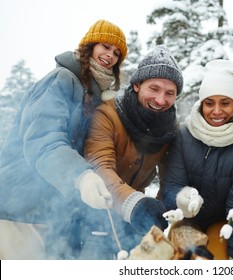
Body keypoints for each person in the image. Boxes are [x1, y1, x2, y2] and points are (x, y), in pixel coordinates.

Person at [0, 19, 128, 259]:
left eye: (117, 53)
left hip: (50, 210)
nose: (110, 55)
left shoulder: (90, 93)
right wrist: (81, 175)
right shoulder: (61, 79)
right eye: (105, 46)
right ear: (89, 45)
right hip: (18, 207)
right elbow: (42, 139)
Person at [81, 45, 183, 259]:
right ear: (137, 85)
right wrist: (134, 203)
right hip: (93, 212)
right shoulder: (108, 114)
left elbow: (171, 180)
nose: (161, 100)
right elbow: (100, 166)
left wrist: (164, 210)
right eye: (154, 89)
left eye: (170, 93)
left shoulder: (170, 131)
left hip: (134, 219)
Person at [158, 59, 233, 260]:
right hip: (188, 220)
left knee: (216, 257)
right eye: (209, 103)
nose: (216, 111)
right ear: (201, 104)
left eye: (225, 103)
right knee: (185, 257)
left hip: (224, 221)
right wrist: (183, 198)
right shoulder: (184, 135)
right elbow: (171, 185)